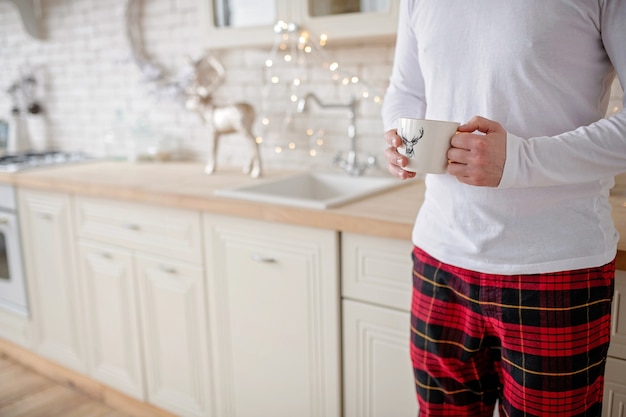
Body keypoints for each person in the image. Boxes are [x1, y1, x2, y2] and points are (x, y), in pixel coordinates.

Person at [381, 1, 626, 416]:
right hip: (438, 260)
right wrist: (400, 136)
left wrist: (519, 160)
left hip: (554, 270)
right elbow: (407, 90)